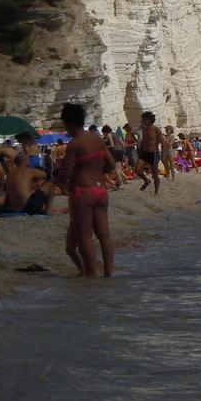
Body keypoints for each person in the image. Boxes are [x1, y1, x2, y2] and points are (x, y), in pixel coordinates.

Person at [57, 103, 115, 277]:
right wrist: (98, 174)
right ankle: (108, 274)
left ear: (69, 123)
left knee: (85, 237)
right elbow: (111, 164)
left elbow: (66, 174)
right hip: (101, 191)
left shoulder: (74, 144)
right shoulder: (96, 138)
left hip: (84, 193)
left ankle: (91, 276)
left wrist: (57, 181)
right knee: (104, 235)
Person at [134, 111, 165, 194]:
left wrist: (163, 155)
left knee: (155, 174)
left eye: (144, 120)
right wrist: (140, 152)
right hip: (144, 152)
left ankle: (156, 192)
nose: (142, 121)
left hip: (153, 153)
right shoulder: (144, 129)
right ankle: (146, 180)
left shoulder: (156, 129)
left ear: (150, 120)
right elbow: (143, 142)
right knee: (137, 169)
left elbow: (163, 142)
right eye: (142, 120)